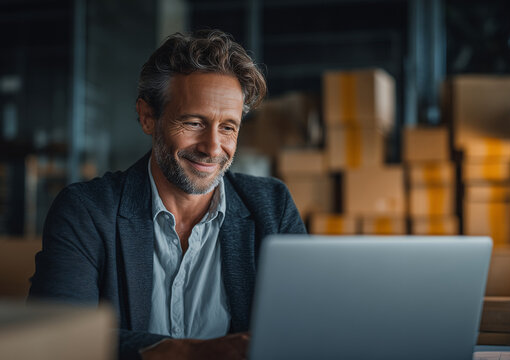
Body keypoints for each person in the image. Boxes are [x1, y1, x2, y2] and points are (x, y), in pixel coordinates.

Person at [28, 29, 306, 360]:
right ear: (148, 117)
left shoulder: (272, 206)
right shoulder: (87, 210)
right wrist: (191, 353)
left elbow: (306, 328)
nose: (213, 148)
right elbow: (57, 337)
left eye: (228, 127)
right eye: (193, 123)